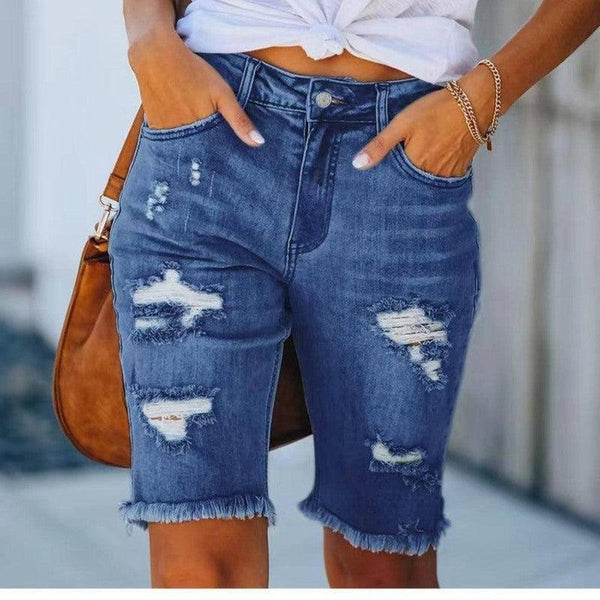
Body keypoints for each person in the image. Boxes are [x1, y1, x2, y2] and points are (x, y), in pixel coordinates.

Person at [110, 0, 600, 588]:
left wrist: (482, 99)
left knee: (383, 568)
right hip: (209, 145)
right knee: (198, 570)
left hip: (401, 159)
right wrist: (149, 38)